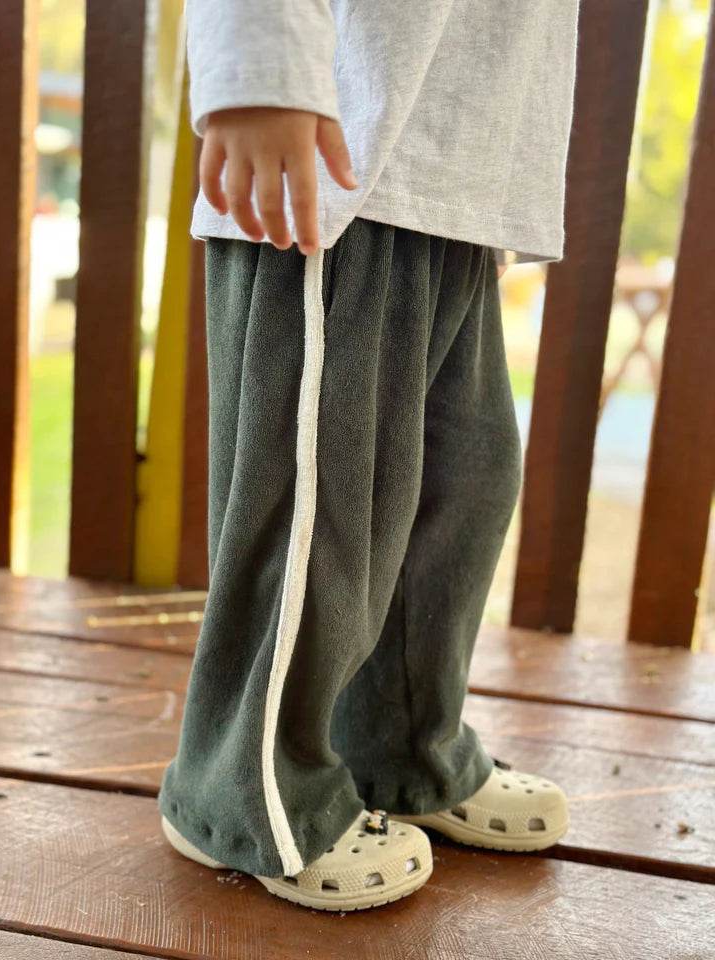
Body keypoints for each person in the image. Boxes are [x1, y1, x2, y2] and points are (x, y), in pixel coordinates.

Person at [158, 0, 580, 912]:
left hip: (457, 174)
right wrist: (256, 72)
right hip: (331, 158)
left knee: (455, 487)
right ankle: (245, 794)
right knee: (324, 506)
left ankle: (399, 753)